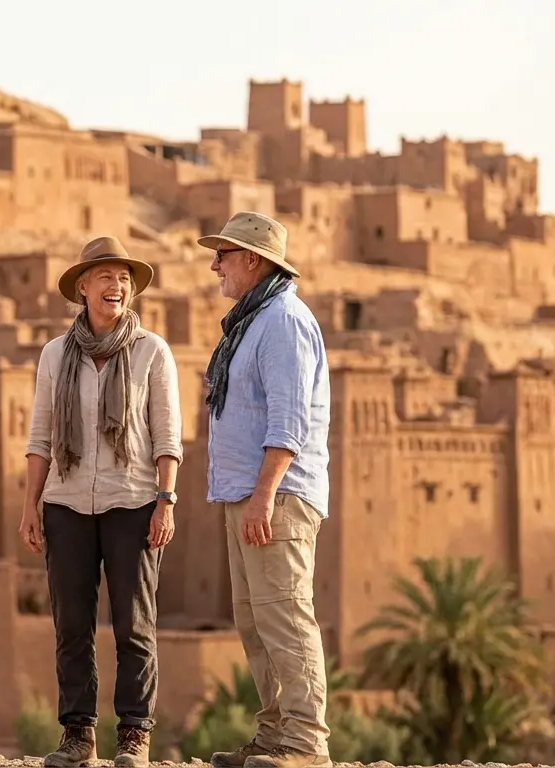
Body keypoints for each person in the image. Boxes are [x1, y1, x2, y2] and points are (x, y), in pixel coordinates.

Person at [19, 236, 183, 768]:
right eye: (106, 277)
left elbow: (167, 435)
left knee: (135, 623)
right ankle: (77, 734)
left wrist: (166, 500)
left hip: (134, 501)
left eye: (125, 278)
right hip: (65, 502)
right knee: (72, 624)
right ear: (83, 287)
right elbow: (40, 436)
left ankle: (135, 732)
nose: (117, 286)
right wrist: (31, 506)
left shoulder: (151, 351)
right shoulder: (54, 355)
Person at [197, 212, 332, 768]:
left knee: (285, 612)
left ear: (253, 260)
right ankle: (276, 734)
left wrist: (263, 496)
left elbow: (289, 420)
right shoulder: (254, 320)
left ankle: (305, 742)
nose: (215, 266)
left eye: (223, 256)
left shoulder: (283, 321)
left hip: (274, 497)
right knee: (256, 618)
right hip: (246, 494)